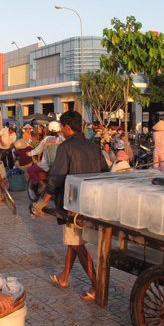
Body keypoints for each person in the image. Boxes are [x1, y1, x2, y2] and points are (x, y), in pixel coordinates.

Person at [32, 111, 109, 301]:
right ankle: (64, 277)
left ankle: (97, 285)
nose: (62, 131)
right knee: (73, 240)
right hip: (92, 202)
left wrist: (42, 202)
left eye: (62, 128)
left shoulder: (65, 147)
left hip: (72, 203)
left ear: (67, 127)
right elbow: (105, 171)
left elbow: (56, 178)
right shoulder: (93, 146)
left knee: (76, 243)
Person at [27, 121, 64, 190]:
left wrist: (29, 153)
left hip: (46, 164)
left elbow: (38, 150)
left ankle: (42, 184)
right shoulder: (62, 139)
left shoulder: (46, 139)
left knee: (30, 170)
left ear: (48, 130)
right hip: (60, 164)